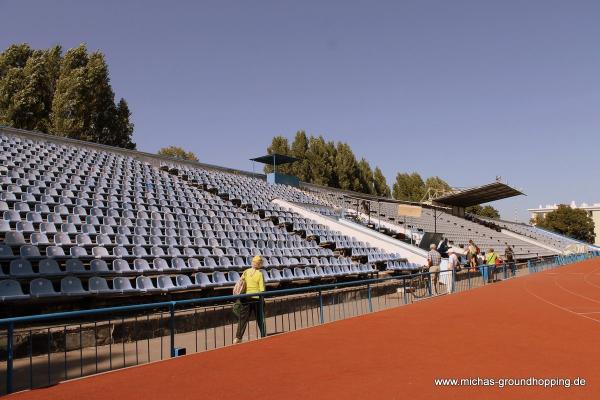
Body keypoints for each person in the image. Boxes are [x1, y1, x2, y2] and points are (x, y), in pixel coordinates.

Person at [233, 255, 266, 344]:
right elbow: (262, 289)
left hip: (246, 298)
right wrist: (263, 301)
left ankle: (238, 337)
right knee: (259, 317)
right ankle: (263, 334)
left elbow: (241, 283)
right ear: (259, 265)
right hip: (256, 298)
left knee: (243, 318)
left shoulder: (246, 272)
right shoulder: (260, 274)